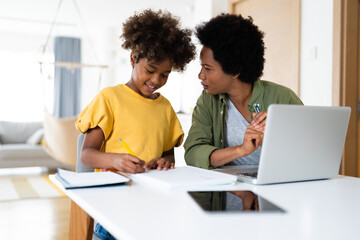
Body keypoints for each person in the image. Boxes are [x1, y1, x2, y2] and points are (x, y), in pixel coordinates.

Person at [76, 9, 195, 240]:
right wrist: (116, 160)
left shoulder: (166, 108)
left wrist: (163, 162)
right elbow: (87, 154)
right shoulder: (109, 98)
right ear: (133, 59)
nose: (156, 81)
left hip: (152, 205)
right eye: (150, 70)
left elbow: (169, 157)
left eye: (165, 75)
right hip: (112, 206)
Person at [184, 13, 303, 170]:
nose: (200, 75)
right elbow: (193, 153)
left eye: (207, 68)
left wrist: (277, 135)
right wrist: (241, 150)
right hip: (227, 191)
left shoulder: (282, 98)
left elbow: (309, 151)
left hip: (278, 188)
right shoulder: (207, 101)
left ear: (235, 70)